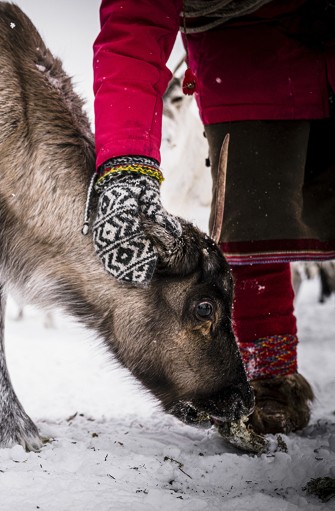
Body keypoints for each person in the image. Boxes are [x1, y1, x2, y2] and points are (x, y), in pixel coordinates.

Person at [91, 0, 335, 434]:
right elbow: (135, 23)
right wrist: (125, 162)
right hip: (245, 66)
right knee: (254, 227)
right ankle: (268, 372)